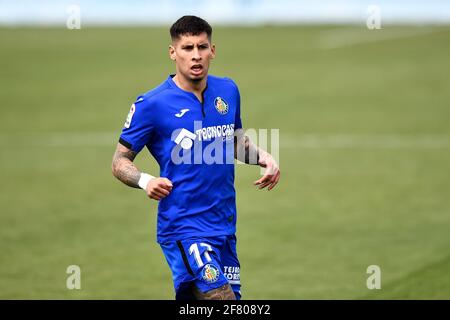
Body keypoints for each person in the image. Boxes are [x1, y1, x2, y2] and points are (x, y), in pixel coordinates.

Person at [111, 15, 280, 300]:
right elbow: (119, 162)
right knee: (221, 299)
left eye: (202, 47)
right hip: (183, 227)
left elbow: (234, 141)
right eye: (187, 48)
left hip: (224, 223)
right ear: (172, 52)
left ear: (213, 50)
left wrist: (263, 156)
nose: (196, 55)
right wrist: (146, 181)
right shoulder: (151, 104)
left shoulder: (228, 90)